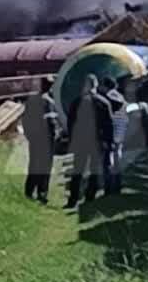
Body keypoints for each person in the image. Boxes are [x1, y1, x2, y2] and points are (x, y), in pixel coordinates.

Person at [64, 74, 113, 207]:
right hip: (97, 140)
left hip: (81, 140)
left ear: (85, 86)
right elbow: (109, 125)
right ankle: (90, 197)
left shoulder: (77, 102)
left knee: (77, 170)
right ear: (96, 86)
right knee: (94, 171)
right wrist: (108, 142)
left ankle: (73, 200)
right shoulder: (103, 102)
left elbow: (71, 123)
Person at [22, 78, 60, 204]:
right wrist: (55, 136)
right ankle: (42, 193)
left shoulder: (32, 101)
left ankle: (29, 191)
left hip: (35, 139)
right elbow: (52, 123)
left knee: (34, 165)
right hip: (47, 140)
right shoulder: (50, 102)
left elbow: (25, 121)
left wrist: (29, 136)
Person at [101, 76, 128, 194]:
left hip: (111, 131)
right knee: (117, 158)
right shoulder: (120, 97)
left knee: (108, 160)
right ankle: (118, 185)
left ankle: (108, 187)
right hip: (121, 131)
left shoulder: (107, 97)